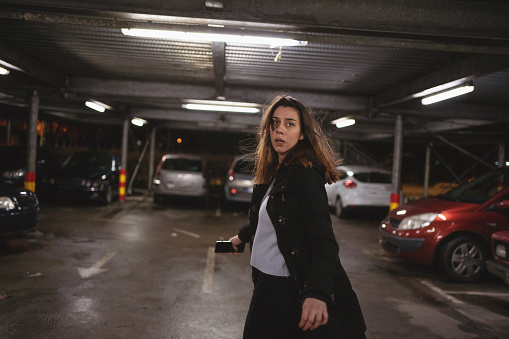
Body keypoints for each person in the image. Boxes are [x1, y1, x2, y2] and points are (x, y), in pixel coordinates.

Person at [229, 95, 366, 339]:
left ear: (302, 134)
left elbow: (324, 240)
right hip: (264, 281)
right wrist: (240, 238)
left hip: (285, 286)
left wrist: (317, 293)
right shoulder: (273, 172)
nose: (279, 129)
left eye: (289, 123)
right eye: (275, 123)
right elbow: (269, 219)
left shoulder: (305, 174)